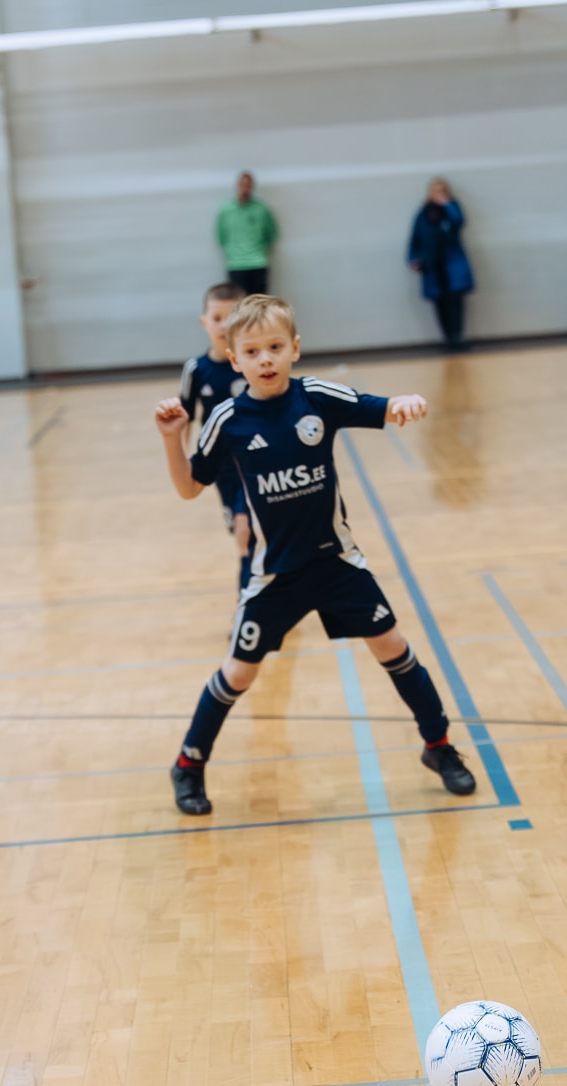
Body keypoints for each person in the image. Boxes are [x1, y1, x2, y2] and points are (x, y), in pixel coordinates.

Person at [153, 294, 478, 816]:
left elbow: (379, 406)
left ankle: (438, 746)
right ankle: (188, 764)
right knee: (238, 674)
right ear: (234, 359)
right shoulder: (226, 420)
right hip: (274, 575)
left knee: (393, 646)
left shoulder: (317, 397)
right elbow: (190, 487)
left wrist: (405, 403)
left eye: (275, 347)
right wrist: (173, 439)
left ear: (295, 348)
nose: (265, 359)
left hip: (336, 564)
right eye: (252, 351)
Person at [178, 282, 253, 592]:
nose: (224, 325)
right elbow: (184, 417)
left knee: (247, 532)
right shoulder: (196, 369)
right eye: (217, 317)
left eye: (232, 317)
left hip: (258, 461)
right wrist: (183, 464)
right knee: (243, 533)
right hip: (222, 469)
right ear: (204, 322)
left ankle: (249, 605)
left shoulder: (254, 363)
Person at [408, 177, 475, 350]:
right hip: (433, 267)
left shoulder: (452, 209)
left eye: (442, 190)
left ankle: (457, 338)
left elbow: (459, 221)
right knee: (440, 305)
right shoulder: (424, 214)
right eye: (436, 191)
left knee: (455, 303)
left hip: (452, 265)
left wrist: (447, 204)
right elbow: (415, 238)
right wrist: (413, 259)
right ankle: (448, 339)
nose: (439, 194)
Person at [217, 172, 278, 296]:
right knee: (238, 302)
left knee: (259, 302)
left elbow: (271, 234)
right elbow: (221, 237)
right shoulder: (226, 210)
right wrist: (233, 253)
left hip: (257, 263)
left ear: (252, 187)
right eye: (242, 185)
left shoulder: (261, 209)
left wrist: (260, 251)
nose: (245, 189)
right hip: (236, 265)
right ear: (237, 185)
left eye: (248, 185)